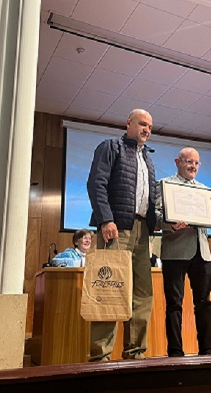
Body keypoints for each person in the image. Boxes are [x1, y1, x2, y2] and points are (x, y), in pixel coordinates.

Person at [86, 109, 157, 361]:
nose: (146, 129)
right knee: (108, 289)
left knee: (142, 293)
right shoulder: (110, 147)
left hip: (142, 232)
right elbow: (96, 183)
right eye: (142, 124)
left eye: (149, 126)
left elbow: (152, 197)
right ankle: (100, 356)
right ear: (128, 123)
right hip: (116, 229)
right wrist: (106, 219)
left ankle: (135, 353)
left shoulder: (148, 159)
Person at [156, 147, 211, 357]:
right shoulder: (165, 185)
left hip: (202, 254)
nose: (192, 166)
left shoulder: (206, 190)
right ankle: (175, 351)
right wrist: (171, 225)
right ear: (178, 162)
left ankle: (208, 350)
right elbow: (156, 216)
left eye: (196, 163)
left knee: (204, 303)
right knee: (174, 304)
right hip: (175, 252)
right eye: (188, 162)